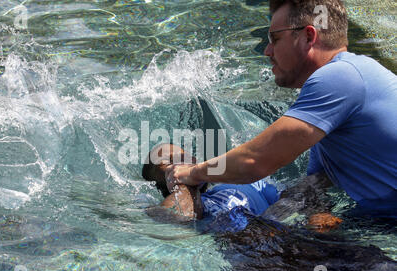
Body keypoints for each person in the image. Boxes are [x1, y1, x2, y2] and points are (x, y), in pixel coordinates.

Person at [165, 0, 397, 211]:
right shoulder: (337, 94)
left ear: (308, 36)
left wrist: (193, 173)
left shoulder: (340, 77)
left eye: (274, 39)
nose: (267, 51)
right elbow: (317, 182)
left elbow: (255, 161)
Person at [143, 143, 342, 233]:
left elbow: (295, 197)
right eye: (168, 161)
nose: (183, 160)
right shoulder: (183, 201)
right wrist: (183, 183)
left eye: (186, 156)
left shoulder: (246, 183)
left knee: (310, 185)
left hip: (273, 231)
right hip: (240, 239)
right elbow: (181, 220)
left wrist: (318, 213)